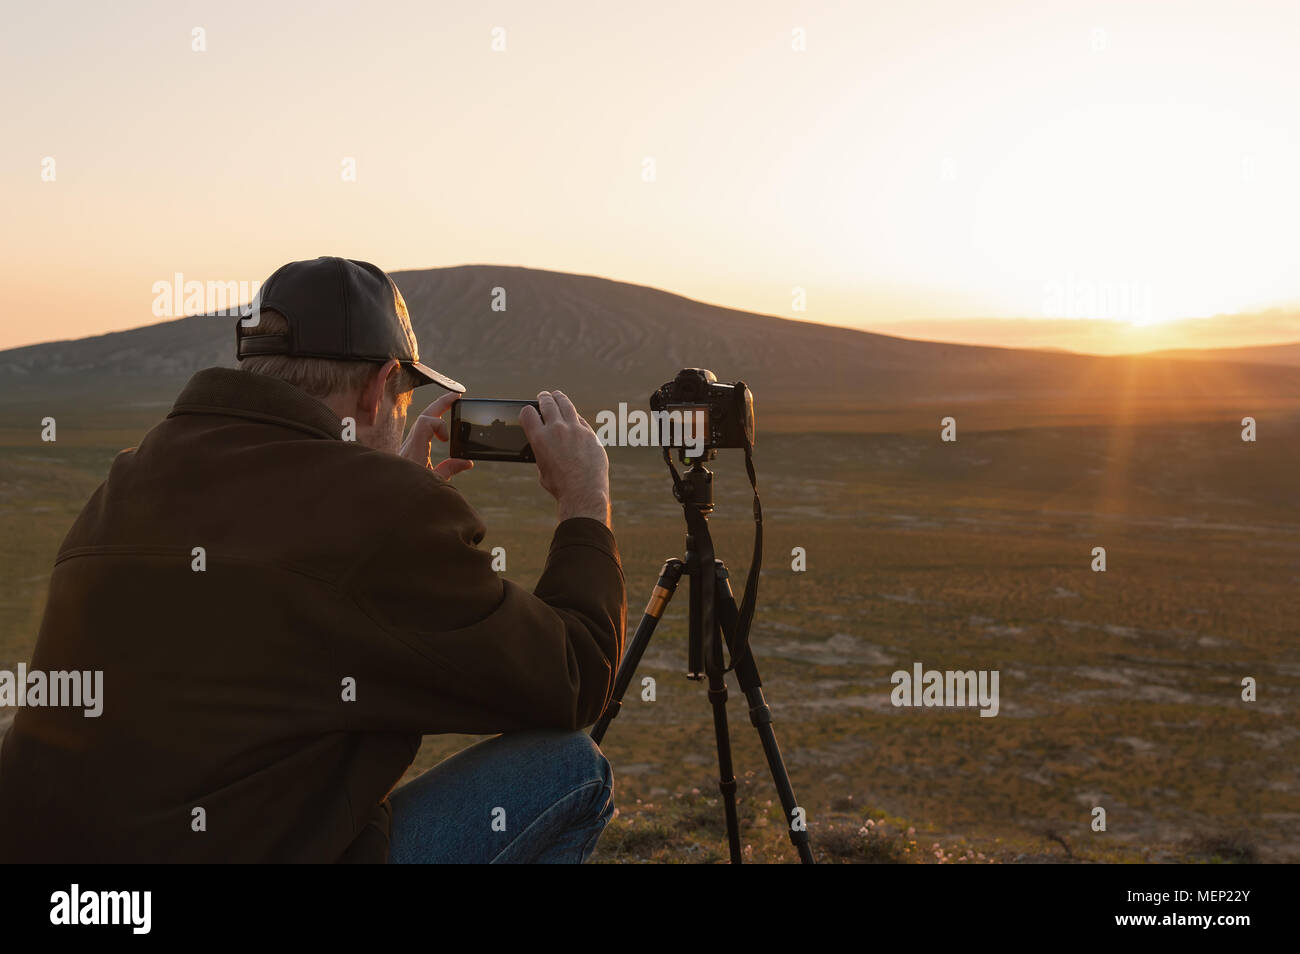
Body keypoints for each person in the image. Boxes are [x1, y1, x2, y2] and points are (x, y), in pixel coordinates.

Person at [0, 257, 626, 863]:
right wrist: (583, 501)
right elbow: (575, 676)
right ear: (381, 388)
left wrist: (389, 502)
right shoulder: (383, 512)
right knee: (568, 767)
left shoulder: (129, 476)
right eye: (406, 395)